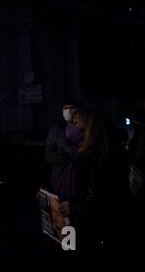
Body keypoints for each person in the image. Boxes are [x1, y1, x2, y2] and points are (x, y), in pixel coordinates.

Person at [53, 107, 131, 258]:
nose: (71, 128)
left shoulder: (104, 160)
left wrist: (76, 207)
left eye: (76, 124)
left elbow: (108, 202)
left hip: (94, 233)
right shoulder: (80, 154)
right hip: (76, 225)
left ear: (91, 128)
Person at [46, 99, 83, 190]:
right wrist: (66, 156)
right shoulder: (55, 130)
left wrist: (63, 150)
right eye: (65, 108)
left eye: (72, 107)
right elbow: (49, 155)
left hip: (79, 175)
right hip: (59, 176)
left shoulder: (85, 127)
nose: (69, 110)